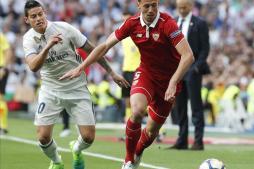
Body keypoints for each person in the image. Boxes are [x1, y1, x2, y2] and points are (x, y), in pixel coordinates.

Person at [60, 0, 195, 168]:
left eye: (154, 5)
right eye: (147, 6)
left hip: (169, 80)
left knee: (152, 131)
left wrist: (174, 81)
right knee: (137, 111)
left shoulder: (168, 24)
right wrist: (82, 67)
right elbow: (105, 46)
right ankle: (129, 160)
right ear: (138, 5)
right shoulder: (131, 24)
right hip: (146, 74)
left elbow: (188, 55)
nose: (151, 9)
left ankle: (137, 153)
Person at [22, 1, 129, 169]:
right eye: (33, 16)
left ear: (45, 13)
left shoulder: (64, 28)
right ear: (27, 20)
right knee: (43, 137)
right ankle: (57, 162)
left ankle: (76, 149)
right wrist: (48, 46)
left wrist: (112, 73)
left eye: (40, 14)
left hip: (77, 88)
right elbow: (34, 66)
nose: (38, 18)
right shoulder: (28, 39)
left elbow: (92, 49)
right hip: (51, 90)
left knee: (88, 137)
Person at [169, 0, 210, 150]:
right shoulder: (172, 23)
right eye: (179, 7)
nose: (182, 10)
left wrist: (197, 68)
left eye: (184, 7)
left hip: (193, 71)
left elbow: (205, 49)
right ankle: (182, 140)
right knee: (179, 106)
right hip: (177, 70)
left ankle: (198, 141)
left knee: (195, 106)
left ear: (191, 6)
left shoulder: (200, 23)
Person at [0, 32, 12, 135]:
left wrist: (4, 68)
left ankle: (3, 126)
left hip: (1, 69)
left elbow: (8, 51)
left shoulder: (1, 36)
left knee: (1, 98)